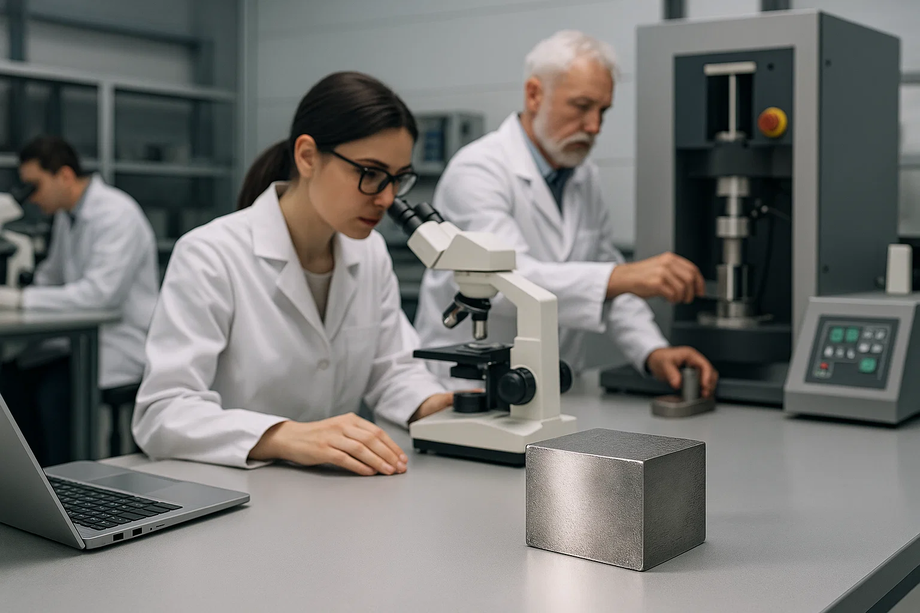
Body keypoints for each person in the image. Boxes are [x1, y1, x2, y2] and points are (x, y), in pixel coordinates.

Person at [133, 72, 457, 474]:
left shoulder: (370, 252)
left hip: (330, 487)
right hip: (231, 487)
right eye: (370, 174)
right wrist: (283, 436)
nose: (387, 198)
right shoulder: (211, 254)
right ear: (307, 156)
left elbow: (392, 371)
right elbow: (162, 411)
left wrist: (437, 406)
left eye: (398, 178)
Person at [414, 30, 719, 397]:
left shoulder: (582, 175)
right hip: (470, 387)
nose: (594, 126)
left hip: (553, 387)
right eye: (581, 106)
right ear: (534, 94)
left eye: (602, 111)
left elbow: (608, 278)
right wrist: (621, 276)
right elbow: (503, 284)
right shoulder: (478, 170)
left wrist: (652, 351)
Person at [0, 135, 159, 465]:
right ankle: (31, 477)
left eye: (34, 186)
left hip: (119, 343)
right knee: (10, 379)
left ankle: (63, 483)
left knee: (55, 394)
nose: (31, 198)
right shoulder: (67, 216)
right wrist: (16, 297)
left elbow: (100, 295)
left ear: (65, 175)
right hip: (80, 342)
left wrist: (19, 300)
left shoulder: (117, 214)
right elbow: (52, 275)